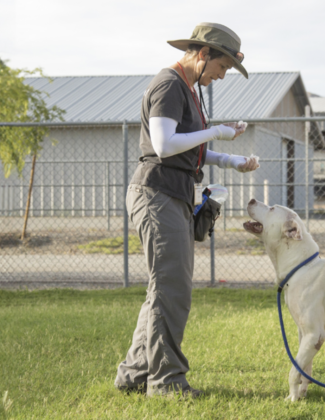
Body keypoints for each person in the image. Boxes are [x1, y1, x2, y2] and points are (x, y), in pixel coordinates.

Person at [114, 22, 258, 398]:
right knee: (172, 290)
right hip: (156, 193)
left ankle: (133, 375)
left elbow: (186, 147)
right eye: (222, 67)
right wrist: (215, 132)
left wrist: (230, 159)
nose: (221, 76)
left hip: (174, 193)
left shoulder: (189, 90)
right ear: (203, 53)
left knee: (162, 289)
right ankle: (166, 382)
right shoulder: (170, 84)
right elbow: (163, 145)